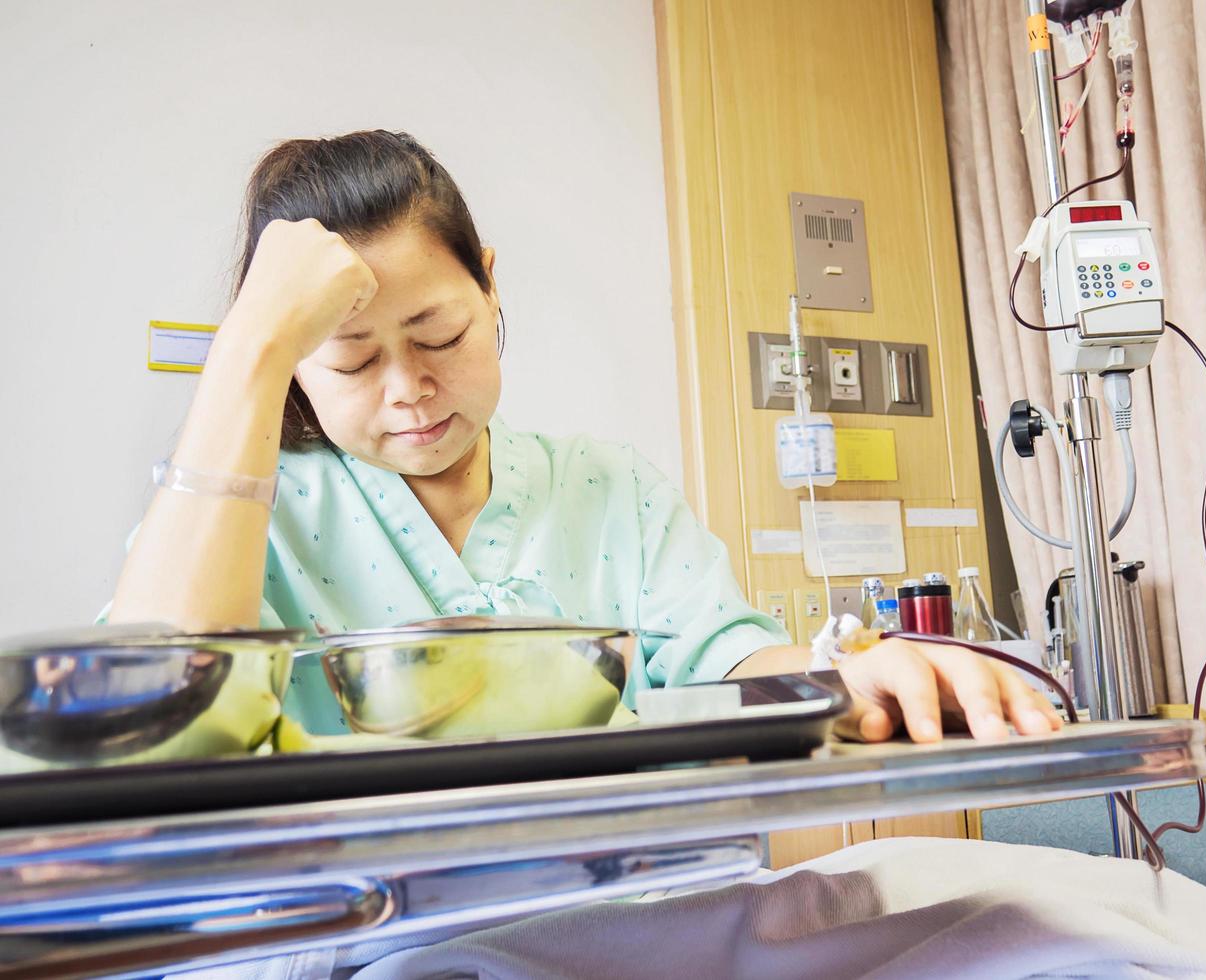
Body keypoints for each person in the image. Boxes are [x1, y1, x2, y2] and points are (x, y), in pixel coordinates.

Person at [109, 129, 1061, 744]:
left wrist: (844, 674)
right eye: (350, 362)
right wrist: (247, 350)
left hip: (629, 913)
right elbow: (155, 710)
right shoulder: (255, 516)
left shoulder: (608, 489)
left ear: (488, 284)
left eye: (440, 335)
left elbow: (730, 665)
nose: (409, 390)